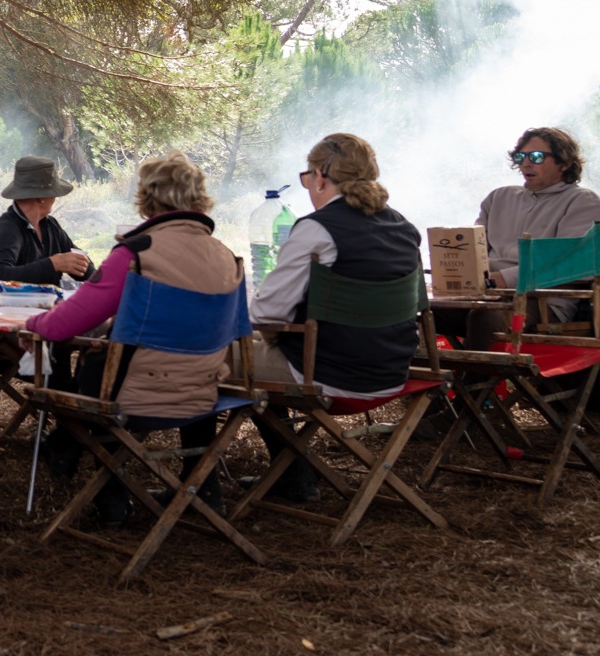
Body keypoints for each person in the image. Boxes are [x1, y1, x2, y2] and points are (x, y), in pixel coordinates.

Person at [23, 151, 243, 524]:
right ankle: (204, 490)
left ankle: (112, 498)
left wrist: (33, 324)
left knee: (96, 368)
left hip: (137, 396)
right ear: (200, 198)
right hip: (205, 394)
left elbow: (65, 324)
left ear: (148, 198)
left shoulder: (136, 254)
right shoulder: (225, 255)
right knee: (190, 354)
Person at [248, 134, 423, 502]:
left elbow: (267, 313)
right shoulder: (405, 229)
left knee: (216, 356)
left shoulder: (316, 228)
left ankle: (206, 483)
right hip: (391, 372)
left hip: (328, 376)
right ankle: (291, 474)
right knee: (266, 349)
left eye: (307, 178)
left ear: (321, 175)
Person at [476, 127, 600, 292]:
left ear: (564, 163)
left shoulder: (583, 202)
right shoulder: (498, 197)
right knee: (439, 314)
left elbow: (572, 264)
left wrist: (503, 279)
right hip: (487, 289)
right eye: (520, 157)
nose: (525, 164)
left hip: (544, 298)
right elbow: (474, 249)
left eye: (536, 157)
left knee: (483, 317)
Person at [0, 155, 90, 285]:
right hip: (14, 305)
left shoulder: (51, 226)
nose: (56, 197)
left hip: (49, 304)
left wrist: (91, 271)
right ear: (42, 197)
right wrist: (52, 264)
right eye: (54, 192)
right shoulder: (7, 228)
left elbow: (82, 266)